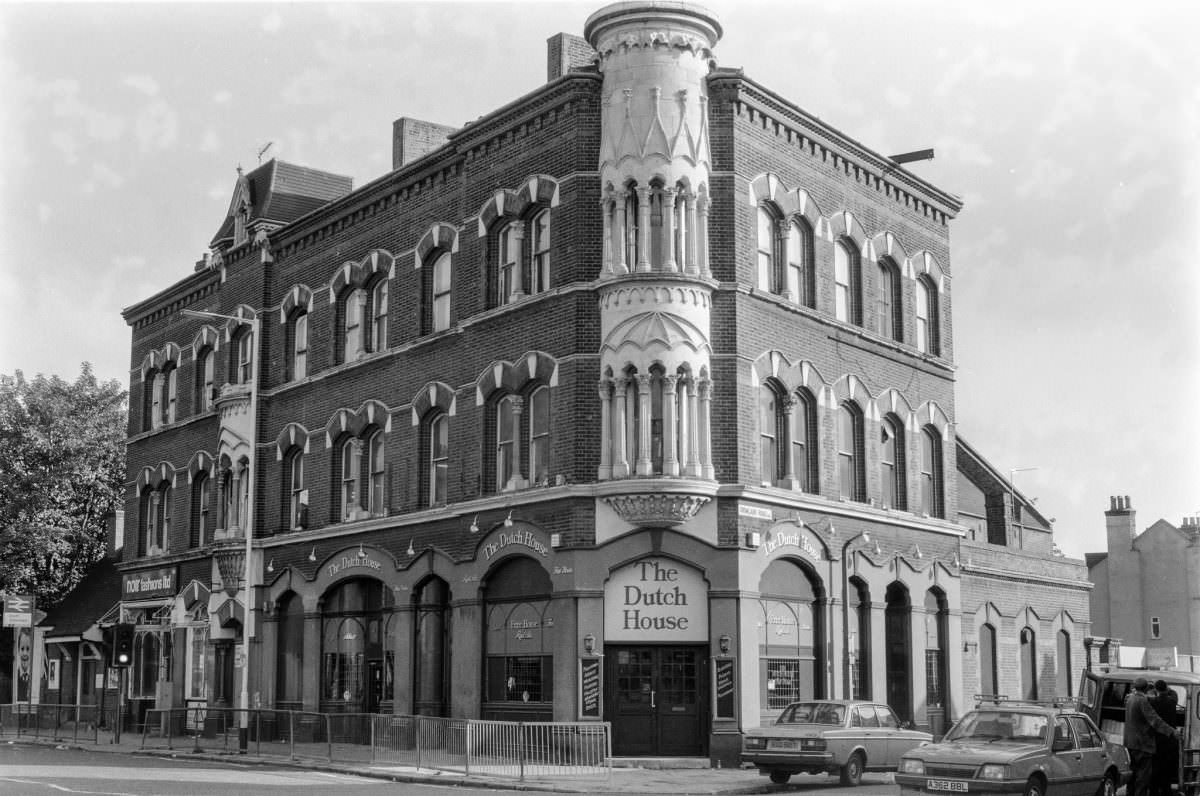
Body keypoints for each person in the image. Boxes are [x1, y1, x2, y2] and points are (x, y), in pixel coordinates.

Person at [1126, 677, 1180, 796]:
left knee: (1132, 776)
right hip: (1142, 745)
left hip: (1130, 743)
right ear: (1146, 688)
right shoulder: (1143, 701)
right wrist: (1172, 731)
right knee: (1143, 778)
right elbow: (1154, 720)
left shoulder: (1130, 699)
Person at [1150, 679, 1179, 796]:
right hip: (1169, 740)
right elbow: (1173, 694)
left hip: (1156, 740)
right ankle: (1166, 791)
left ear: (1156, 690)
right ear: (1166, 689)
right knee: (1166, 769)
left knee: (1155, 768)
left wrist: (1152, 688)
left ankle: (1154, 792)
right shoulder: (1172, 701)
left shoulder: (1152, 702)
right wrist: (1166, 688)